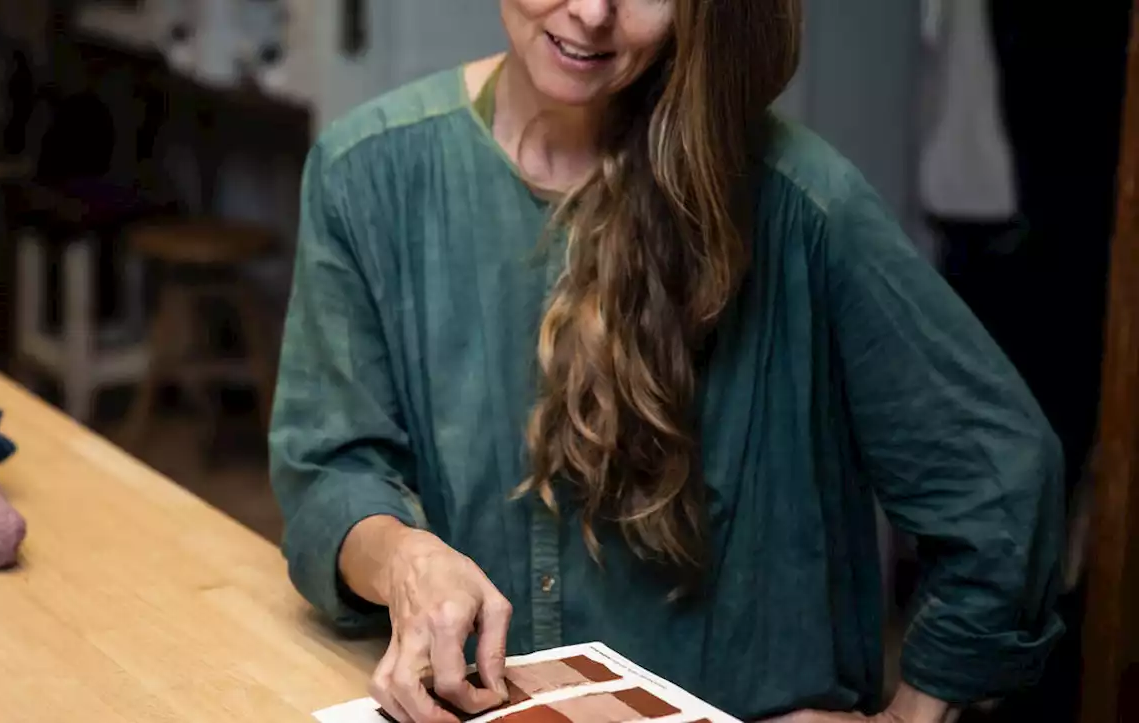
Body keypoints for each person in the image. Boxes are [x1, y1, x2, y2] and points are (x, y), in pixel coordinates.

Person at [269, 1, 1065, 721]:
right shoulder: (365, 173)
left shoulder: (800, 202)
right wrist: (406, 556)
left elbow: (998, 478)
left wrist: (913, 713)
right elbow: (330, 468)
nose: (589, 12)